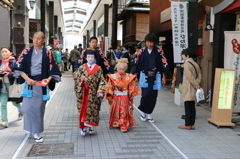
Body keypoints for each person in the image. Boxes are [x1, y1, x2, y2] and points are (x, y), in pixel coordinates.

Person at [13, 31, 61, 143]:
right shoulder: (26, 51)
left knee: (38, 109)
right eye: (34, 38)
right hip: (28, 83)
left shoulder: (48, 53)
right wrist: (27, 79)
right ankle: (29, 128)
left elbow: (53, 68)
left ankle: (37, 133)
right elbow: (18, 66)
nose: (36, 40)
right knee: (26, 108)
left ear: (43, 40)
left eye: (39, 38)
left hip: (41, 84)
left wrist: (48, 80)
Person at [131, 33, 170, 122]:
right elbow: (135, 62)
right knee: (145, 95)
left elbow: (164, 63)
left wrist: (164, 77)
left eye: (151, 42)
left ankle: (149, 114)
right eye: (148, 42)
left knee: (153, 95)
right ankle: (143, 113)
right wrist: (135, 75)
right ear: (145, 42)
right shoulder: (141, 51)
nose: (149, 44)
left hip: (156, 76)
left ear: (154, 42)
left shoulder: (159, 51)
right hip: (144, 75)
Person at [73, 49, 105, 136]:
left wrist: (100, 90)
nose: (90, 59)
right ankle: (83, 127)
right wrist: (82, 79)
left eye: (92, 57)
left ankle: (90, 127)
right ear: (85, 58)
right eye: (88, 57)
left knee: (93, 110)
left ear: (94, 57)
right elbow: (76, 76)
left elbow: (102, 80)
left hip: (93, 93)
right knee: (83, 110)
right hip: (83, 92)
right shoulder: (82, 67)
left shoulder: (98, 68)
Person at [106, 58, 140, 132]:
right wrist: (110, 94)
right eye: (119, 69)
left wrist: (131, 93)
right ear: (117, 68)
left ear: (125, 69)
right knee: (115, 110)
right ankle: (116, 123)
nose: (121, 70)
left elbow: (132, 87)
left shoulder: (129, 77)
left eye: (123, 69)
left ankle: (123, 124)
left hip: (125, 96)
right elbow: (109, 86)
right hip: (115, 96)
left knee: (124, 110)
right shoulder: (112, 77)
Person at [178, 48, 201, 130]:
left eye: (183, 55)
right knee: (192, 106)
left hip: (188, 87)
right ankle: (192, 124)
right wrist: (197, 84)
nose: (182, 57)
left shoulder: (187, 64)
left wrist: (194, 84)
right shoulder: (196, 64)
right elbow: (199, 76)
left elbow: (189, 76)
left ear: (187, 56)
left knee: (187, 106)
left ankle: (187, 124)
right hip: (194, 88)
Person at [0, 47, 22, 128]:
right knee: (3, 103)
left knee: (14, 102)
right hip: (2, 85)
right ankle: (4, 121)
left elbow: (19, 73)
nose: (4, 53)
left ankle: (21, 111)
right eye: (2, 52)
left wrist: (8, 74)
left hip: (12, 85)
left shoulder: (14, 62)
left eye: (6, 51)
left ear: (10, 52)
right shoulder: (0, 62)